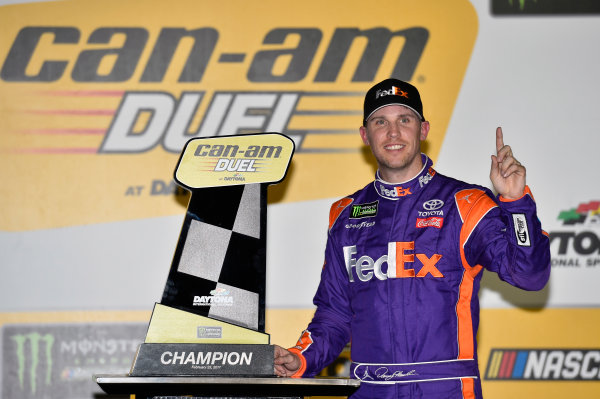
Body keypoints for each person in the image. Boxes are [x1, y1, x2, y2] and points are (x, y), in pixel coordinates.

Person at [273, 78, 551, 398]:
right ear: (365, 135)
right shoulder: (346, 215)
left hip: (445, 389)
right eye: (381, 122)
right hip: (370, 390)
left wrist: (516, 203)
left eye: (404, 120)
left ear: (423, 130)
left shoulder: (465, 204)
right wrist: (301, 358)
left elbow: (530, 275)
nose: (393, 133)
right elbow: (334, 315)